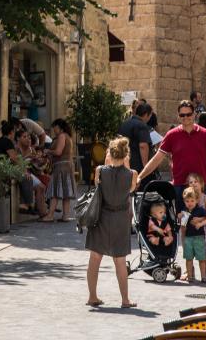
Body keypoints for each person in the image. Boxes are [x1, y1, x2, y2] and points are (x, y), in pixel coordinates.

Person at [137, 100, 206, 213]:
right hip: (180, 186)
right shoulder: (172, 135)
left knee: (203, 224)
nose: (185, 117)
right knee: (182, 224)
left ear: (194, 114)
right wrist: (140, 177)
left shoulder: (205, 134)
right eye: (182, 115)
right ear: (178, 116)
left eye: (188, 114)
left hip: (201, 186)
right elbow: (157, 159)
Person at [85, 136, 138, 308]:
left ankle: (92, 296)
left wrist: (108, 162)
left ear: (110, 153)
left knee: (95, 257)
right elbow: (130, 189)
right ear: (126, 155)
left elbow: (96, 185)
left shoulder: (100, 170)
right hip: (121, 218)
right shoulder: (132, 174)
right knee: (120, 260)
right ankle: (125, 299)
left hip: (102, 215)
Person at [40, 118, 76, 222]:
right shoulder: (68, 136)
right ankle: (65, 216)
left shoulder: (61, 136)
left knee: (55, 191)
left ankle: (50, 215)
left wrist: (48, 151)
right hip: (67, 166)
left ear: (59, 128)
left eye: (55, 128)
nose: (54, 130)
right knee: (66, 192)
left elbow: (58, 152)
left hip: (61, 167)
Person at [188, 172, 206, 283]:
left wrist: (199, 220)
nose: (193, 184)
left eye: (196, 182)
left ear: (201, 184)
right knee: (201, 254)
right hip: (197, 232)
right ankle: (204, 275)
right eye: (191, 182)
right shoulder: (190, 199)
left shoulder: (205, 198)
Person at [179, 186, 206, 283]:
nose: (189, 203)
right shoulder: (184, 211)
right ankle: (190, 276)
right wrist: (180, 218)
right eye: (187, 201)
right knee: (188, 258)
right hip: (188, 238)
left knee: (201, 258)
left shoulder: (200, 210)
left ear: (196, 200)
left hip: (199, 237)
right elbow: (182, 225)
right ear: (184, 201)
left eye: (192, 201)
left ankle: (203, 276)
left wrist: (200, 223)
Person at [15, 129, 48, 217]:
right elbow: (17, 162)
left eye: (28, 137)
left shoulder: (31, 149)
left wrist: (40, 160)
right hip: (19, 172)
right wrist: (28, 157)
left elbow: (35, 165)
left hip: (29, 172)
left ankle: (43, 212)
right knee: (40, 186)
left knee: (42, 187)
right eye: (24, 137)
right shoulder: (16, 149)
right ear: (18, 138)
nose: (27, 139)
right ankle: (37, 209)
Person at [118, 102, 153, 179]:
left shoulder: (124, 123)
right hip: (137, 166)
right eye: (150, 115)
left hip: (122, 163)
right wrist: (145, 167)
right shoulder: (142, 125)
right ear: (146, 114)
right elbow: (143, 146)